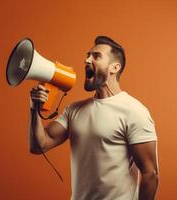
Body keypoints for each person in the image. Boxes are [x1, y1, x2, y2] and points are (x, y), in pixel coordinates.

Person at [28, 36, 159, 200]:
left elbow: (150, 174)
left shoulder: (134, 111)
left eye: (96, 56)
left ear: (115, 67)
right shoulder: (74, 110)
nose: (87, 60)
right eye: (88, 55)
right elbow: (39, 145)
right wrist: (34, 109)